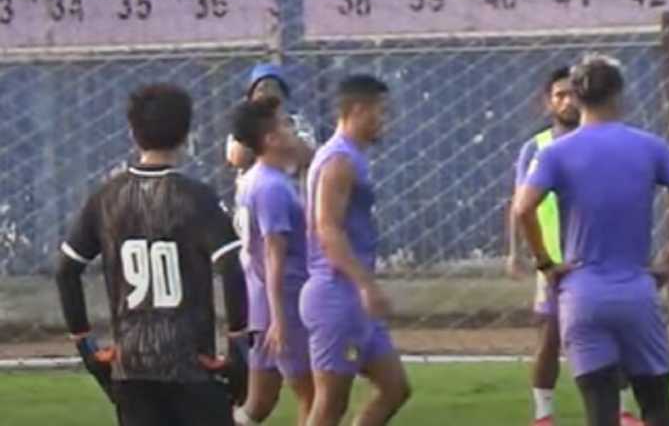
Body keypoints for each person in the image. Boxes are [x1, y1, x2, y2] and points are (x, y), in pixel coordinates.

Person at [513, 55, 669, 426]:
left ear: (577, 96)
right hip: (637, 289)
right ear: (620, 94)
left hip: (582, 293)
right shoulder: (649, 146)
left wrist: (546, 264)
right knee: (656, 404)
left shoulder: (555, 152)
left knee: (600, 412)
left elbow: (523, 209)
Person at [55, 83, 248, 426]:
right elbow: (232, 267)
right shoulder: (195, 198)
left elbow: (66, 270)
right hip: (192, 365)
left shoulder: (106, 198)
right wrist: (237, 344)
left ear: (132, 132)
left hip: (132, 367)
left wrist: (85, 343)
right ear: (187, 133)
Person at [508, 66, 642, 426]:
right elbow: (519, 204)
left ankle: (624, 409)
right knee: (549, 338)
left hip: (598, 257)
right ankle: (543, 414)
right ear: (547, 102)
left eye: (571, 94)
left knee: (618, 334)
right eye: (558, 95)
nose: (566, 101)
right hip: (552, 260)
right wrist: (518, 253)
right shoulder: (537, 148)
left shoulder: (601, 143)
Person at [301, 75, 412, 426]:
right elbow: (327, 228)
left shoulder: (348, 157)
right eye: (381, 111)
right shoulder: (339, 160)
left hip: (350, 296)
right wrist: (365, 284)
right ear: (359, 110)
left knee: (395, 388)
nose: (385, 120)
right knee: (330, 403)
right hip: (337, 294)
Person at [230, 97, 315, 426]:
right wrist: (280, 318)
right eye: (284, 125)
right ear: (271, 139)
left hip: (260, 303)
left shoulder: (252, 180)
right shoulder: (273, 188)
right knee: (316, 398)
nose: (291, 130)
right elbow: (273, 254)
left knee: (259, 402)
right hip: (284, 304)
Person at [227, 63, 316, 176]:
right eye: (261, 88)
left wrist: (282, 128)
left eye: (274, 88)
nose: (267, 93)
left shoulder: (296, 122)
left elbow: (307, 156)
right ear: (251, 95)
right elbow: (237, 159)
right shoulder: (243, 123)